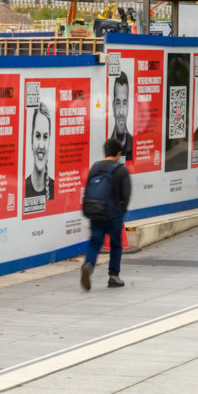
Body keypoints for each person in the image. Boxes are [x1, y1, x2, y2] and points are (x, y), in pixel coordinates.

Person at [80, 138, 132, 291]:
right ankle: (113, 277)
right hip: (113, 214)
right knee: (116, 245)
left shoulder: (95, 168)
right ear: (118, 153)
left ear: (105, 152)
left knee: (95, 242)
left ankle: (88, 265)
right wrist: (121, 212)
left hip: (95, 212)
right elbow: (126, 195)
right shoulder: (121, 170)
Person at [24, 103, 54, 201]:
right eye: (37, 136)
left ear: (49, 142)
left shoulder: (54, 189)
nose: (41, 145)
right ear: (31, 140)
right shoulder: (23, 188)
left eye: (45, 137)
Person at [108, 71, 133, 160]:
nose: (121, 112)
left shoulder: (134, 145)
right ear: (113, 106)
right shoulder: (107, 147)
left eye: (125, 103)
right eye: (118, 103)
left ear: (128, 106)